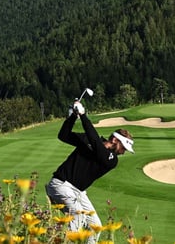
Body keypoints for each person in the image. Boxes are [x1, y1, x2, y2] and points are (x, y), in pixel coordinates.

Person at [45, 99, 134, 243]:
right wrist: (74, 116)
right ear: (115, 140)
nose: (123, 152)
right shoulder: (88, 140)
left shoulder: (112, 160)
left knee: (95, 225)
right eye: (123, 147)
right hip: (61, 185)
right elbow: (64, 135)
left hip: (78, 192)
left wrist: (83, 115)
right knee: (78, 214)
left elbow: (97, 147)